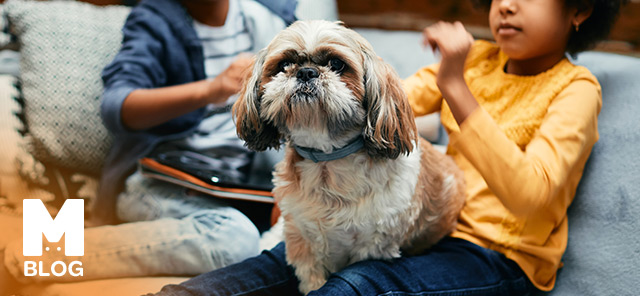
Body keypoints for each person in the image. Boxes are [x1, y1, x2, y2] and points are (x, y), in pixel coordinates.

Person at [147, 0, 628, 295]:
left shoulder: (575, 88)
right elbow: (377, 96)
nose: (505, 6)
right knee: (265, 268)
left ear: (581, 9)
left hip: (499, 255)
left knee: (357, 287)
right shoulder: (479, 60)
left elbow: (530, 196)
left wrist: (455, 87)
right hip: (430, 230)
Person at [0, 0, 294, 291]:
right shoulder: (155, 20)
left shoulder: (269, 18)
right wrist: (211, 89)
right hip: (160, 183)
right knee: (234, 238)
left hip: (246, 191)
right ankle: (37, 253)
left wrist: (291, 186)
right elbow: (117, 106)